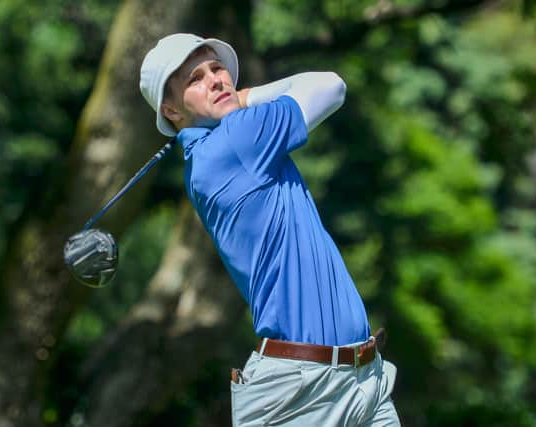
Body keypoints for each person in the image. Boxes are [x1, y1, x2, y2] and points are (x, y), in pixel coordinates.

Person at [140, 33, 400, 427]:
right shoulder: (234, 141)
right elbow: (331, 86)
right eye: (194, 79)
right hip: (302, 393)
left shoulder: (217, 151)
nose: (215, 80)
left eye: (217, 68)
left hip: (363, 379)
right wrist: (244, 97)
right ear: (172, 111)